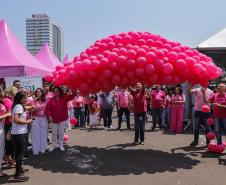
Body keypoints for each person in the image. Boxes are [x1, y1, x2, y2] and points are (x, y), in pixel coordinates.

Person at [11, 91, 32, 182]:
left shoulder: (19, 106)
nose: (26, 99)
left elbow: (25, 108)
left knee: (20, 153)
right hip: (19, 133)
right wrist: (27, 122)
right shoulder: (19, 106)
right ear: (20, 98)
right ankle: (17, 174)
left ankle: (19, 170)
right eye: (25, 97)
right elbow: (16, 120)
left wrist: (30, 107)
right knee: (20, 153)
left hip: (18, 132)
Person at [46, 87, 75, 152]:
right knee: (54, 133)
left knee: (61, 132)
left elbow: (72, 96)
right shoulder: (51, 99)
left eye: (57, 91)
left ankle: (61, 145)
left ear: (60, 92)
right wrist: (49, 116)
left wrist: (74, 89)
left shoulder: (64, 97)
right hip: (53, 119)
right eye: (54, 91)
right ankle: (53, 145)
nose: (56, 93)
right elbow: (48, 109)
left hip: (62, 119)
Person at [3, 86, 18, 167]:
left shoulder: (7, 100)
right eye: (16, 91)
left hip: (7, 124)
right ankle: (11, 160)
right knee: (11, 143)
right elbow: (10, 114)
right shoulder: (8, 101)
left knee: (9, 143)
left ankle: (8, 158)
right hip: (9, 124)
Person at [31, 88, 48, 155]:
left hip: (44, 118)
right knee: (35, 134)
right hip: (35, 118)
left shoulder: (45, 101)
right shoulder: (33, 100)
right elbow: (31, 111)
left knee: (44, 134)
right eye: (37, 92)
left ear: (42, 93)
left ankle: (43, 149)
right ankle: (36, 150)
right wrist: (33, 103)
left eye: (39, 92)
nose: (38, 93)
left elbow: (47, 110)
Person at [0, 92, 11, 177]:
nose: (1, 92)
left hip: (2, 127)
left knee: (1, 149)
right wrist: (8, 114)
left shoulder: (2, 101)